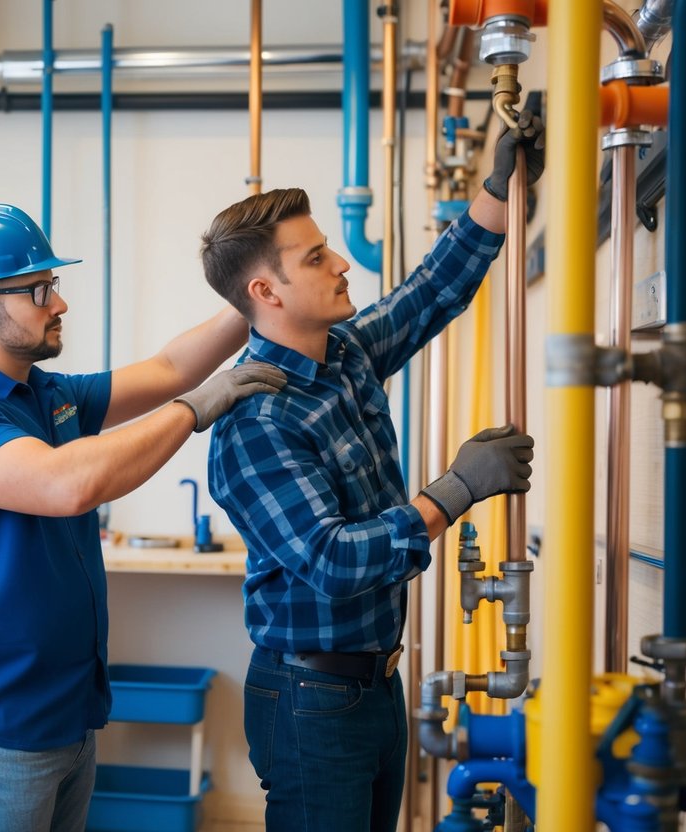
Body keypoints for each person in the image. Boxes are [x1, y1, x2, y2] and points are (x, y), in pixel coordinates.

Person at [0, 202, 285, 832]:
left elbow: (168, 369)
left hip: (69, 716)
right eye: (39, 289)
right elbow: (70, 483)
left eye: (55, 286)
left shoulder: (49, 395)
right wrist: (194, 410)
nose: (59, 304)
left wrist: (259, 297)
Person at [200, 115, 545, 831]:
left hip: (375, 682)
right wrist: (454, 491)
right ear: (266, 291)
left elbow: (428, 294)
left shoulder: (343, 353)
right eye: (317, 257)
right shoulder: (256, 422)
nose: (340, 265)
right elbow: (331, 560)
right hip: (309, 695)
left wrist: (495, 192)